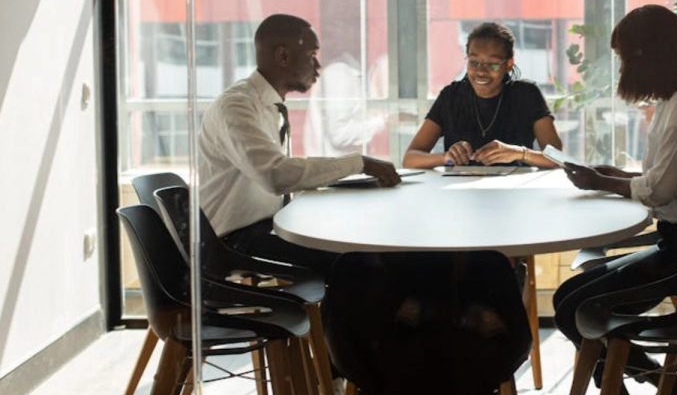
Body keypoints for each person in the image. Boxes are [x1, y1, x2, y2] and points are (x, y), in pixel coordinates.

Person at [553, 4, 677, 395]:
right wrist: (615, 176)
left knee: (577, 308)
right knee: (568, 298)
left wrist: (602, 182)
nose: (624, 68)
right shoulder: (675, 101)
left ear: (650, 55)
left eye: (626, 58)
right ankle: (663, 392)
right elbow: (660, 181)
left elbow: (661, 191)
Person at [198, 14, 401, 277]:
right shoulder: (236, 107)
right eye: (311, 55)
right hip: (235, 243)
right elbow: (276, 175)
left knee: (360, 248)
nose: (318, 66)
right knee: (350, 262)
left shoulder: (268, 106)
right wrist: (359, 163)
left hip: (267, 227)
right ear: (283, 56)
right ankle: (404, 314)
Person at [402, 22, 563, 169]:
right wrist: (446, 158)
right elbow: (410, 159)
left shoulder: (527, 94)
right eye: (473, 62)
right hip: (458, 192)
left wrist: (520, 153)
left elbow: (558, 159)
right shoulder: (451, 96)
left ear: (508, 64)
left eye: (492, 64)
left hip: (513, 193)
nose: (480, 71)